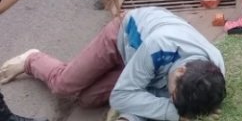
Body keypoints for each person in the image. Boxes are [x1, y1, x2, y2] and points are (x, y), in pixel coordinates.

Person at [0, 7, 226, 121]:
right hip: (122, 38)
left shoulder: (213, 68)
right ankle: (31, 59)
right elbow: (121, 98)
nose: (172, 100)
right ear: (181, 71)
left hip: (138, 60)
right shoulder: (160, 45)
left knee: (87, 99)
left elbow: (146, 97)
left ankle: (121, 74)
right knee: (63, 86)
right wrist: (175, 114)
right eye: (174, 96)